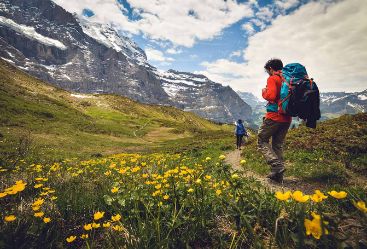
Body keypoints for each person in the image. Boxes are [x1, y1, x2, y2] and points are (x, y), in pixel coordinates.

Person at [258, 58, 292, 183]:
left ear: (271, 68)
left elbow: (271, 96)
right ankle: (279, 176)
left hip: (274, 116)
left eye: (267, 71)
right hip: (287, 118)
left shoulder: (272, 78)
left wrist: (263, 92)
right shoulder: (287, 79)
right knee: (277, 145)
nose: (268, 73)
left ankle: (276, 165)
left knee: (262, 140)